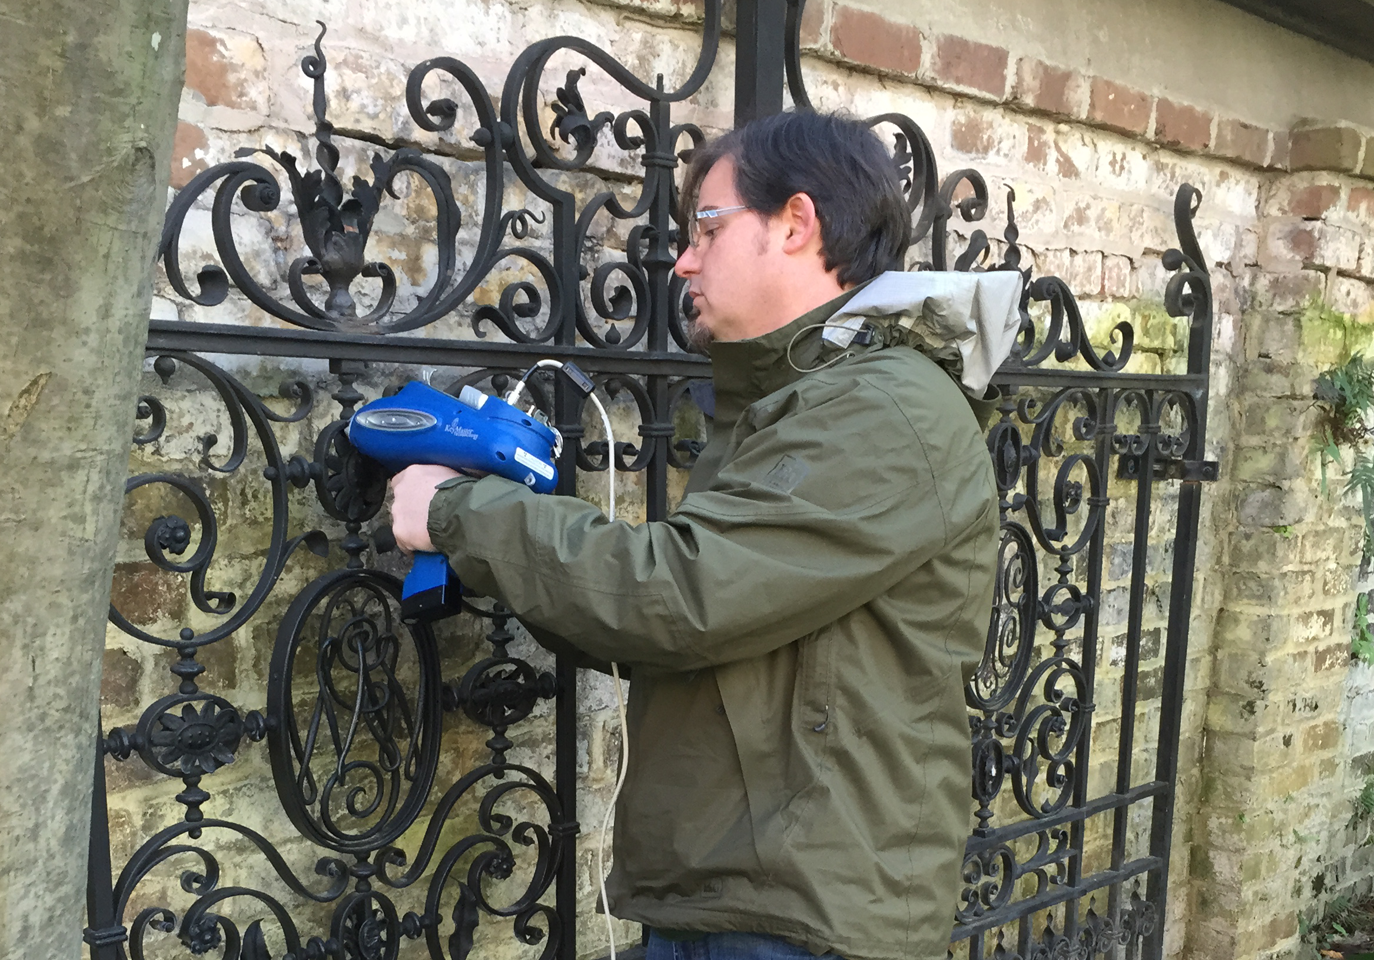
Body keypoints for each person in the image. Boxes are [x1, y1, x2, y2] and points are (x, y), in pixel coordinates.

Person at [389, 110, 1002, 960]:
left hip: (805, 919)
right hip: (735, 894)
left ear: (796, 223)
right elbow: (669, 632)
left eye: (707, 228)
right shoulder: (793, 401)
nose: (683, 259)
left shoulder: (883, 409)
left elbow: (680, 595)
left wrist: (457, 512)